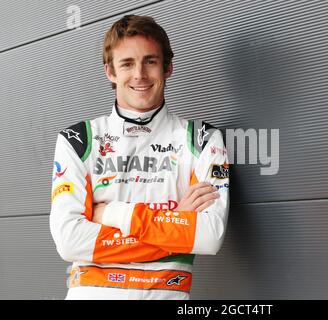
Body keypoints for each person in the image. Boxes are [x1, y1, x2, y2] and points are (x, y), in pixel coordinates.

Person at [49, 15, 229, 300]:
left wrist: (111, 213)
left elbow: (209, 236)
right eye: (127, 63)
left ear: (168, 67)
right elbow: (69, 242)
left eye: (150, 61)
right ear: (110, 72)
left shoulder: (203, 140)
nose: (139, 75)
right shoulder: (78, 140)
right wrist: (176, 225)